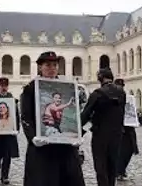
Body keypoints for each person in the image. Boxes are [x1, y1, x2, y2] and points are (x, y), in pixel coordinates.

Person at [21, 51, 85, 186]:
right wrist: (33, 137)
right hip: (43, 147)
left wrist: (78, 134)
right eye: (48, 65)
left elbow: (74, 114)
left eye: (55, 65)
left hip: (64, 147)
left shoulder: (67, 87)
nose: (52, 68)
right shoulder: (30, 88)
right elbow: (26, 117)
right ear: (40, 67)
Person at [79, 69, 126, 186]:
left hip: (100, 135)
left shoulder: (97, 94)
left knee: (101, 167)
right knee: (112, 165)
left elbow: (85, 115)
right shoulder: (122, 93)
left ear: (100, 78)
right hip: (117, 135)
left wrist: (77, 129)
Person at [114, 78, 139, 181]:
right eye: (119, 86)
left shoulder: (128, 98)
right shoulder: (112, 98)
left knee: (129, 150)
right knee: (120, 152)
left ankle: (122, 169)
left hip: (129, 129)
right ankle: (119, 172)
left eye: (122, 86)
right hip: (119, 130)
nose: (121, 88)